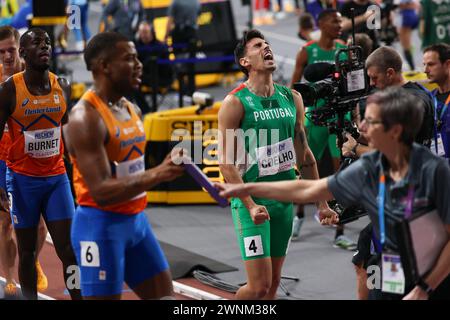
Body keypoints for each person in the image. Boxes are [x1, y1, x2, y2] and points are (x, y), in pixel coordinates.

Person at [217, 87, 450, 300]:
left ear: (395, 130)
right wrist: (247, 188)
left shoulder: (435, 171)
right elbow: (308, 188)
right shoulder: (370, 167)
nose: (363, 129)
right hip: (389, 265)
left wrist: (424, 288)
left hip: (433, 272)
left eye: (371, 122)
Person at [66, 32, 184, 300]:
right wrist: (159, 173)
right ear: (104, 66)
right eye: (129, 59)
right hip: (100, 229)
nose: (139, 64)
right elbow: (101, 191)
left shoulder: (131, 109)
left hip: (137, 223)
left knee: (167, 299)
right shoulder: (86, 118)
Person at [218, 29, 335, 300]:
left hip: (284, 201)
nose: (266, 47)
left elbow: (304, 154)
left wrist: (322, 203)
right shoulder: (235, 103)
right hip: (252, 202)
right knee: (257, 286)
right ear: (245, 62)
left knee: (272, 285)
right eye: (258, 46)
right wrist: (250, 204)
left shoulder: (292, 98)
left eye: (267, 43)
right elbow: (226, 163)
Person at [0, 28, 80, 300]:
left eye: (47, 42)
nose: (45, 47)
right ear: (23, 53)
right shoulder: (9, 90)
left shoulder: (63, 86)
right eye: (37, 43)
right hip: (22, 180)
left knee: (68, 249)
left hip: (56, 178)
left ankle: (78, 296)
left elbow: (68, 135)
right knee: (28, 252)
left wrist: (80, 175)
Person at [290, 9, 355, 249]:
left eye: (340, 20)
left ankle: (340, 230)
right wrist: (295, 119)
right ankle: (298, 216)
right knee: (306, 168)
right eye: (334, 21)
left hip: (341, 118)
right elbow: (294, 88)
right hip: (315, 119)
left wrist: (354, 115)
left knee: (342, 174)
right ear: (321, 24)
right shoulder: (307, 51)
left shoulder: (343, 49)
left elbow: (352, 86)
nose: (339, 24)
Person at [0, 26, 50, 297]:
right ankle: (9, 277)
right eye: (1, 52)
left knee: (39, 224)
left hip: (33, 159)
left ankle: (32, 260)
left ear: (19, 49)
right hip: (2, 160)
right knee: (5, 223)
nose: (7, 56)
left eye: (11, 50)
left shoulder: (33, 75)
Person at [344, 46, 435, 158]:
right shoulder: (414, 93)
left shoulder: (409, 101)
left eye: (375, 77)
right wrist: (357, 136)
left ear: (390, 73)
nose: (372, 83)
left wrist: (356, 149)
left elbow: (397, 154)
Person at [133, 21, 173, 114]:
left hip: (160, 77)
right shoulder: (136, 46)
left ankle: (147, 112)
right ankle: (146, 111)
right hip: (144, 77)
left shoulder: (160, 46)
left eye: (145, 32)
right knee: (131, 84)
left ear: (151, 32)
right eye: (141, 32)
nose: (143, 35)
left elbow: (167, 68)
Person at [165, 0, 201, 97]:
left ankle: (183, 90)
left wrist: (166, 36)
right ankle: (192, 90)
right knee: (191, 65)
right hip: (192, 34)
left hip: (179, 35)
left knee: (178, 65)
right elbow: (197, 17)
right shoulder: (196, 2)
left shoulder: (176, 3)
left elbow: (170, 20)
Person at [423, 43, 450, 160]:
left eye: (431, 64)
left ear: (447, 64)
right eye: (424, 65)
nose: (425, 70)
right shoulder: (428, 98)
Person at [396, 0, 420, 70]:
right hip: (411, 14)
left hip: (406, 15)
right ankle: (412, 66)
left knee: (405, 45)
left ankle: (412, 68)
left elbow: (405, 4)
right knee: (406, 44)